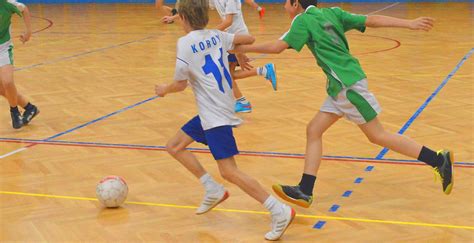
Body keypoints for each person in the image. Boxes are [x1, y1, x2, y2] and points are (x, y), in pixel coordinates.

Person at [233, 0, 453, 208]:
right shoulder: (332, 13)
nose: (283, 5)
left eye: (286, 2)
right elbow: (371, 20)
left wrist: (241, 49)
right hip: (341, 86)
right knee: (314, 130)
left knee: (378, 135)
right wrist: (409, 23)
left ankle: (437, 159)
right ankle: (305, 190)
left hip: (347, 87)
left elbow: (277, 47)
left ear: (295, 3)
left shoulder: (302, 20)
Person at [154, 0, 294, 240]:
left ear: (184, 19)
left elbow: (180, 84)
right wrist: (234, 47)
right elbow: (247, 40)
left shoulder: (184, 43)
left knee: (230, 171)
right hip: (217, 107)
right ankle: (212, 189)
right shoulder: (218, 35)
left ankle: (278, 209)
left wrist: (163, 89)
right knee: (174, 146)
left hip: (215, 114)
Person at [161, 0, 277, 113]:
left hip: (237, 37)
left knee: (228, 75)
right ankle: (263, 72)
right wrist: (173, 18)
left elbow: (228, 21)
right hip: (229, 38)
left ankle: (244, 99)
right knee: (229, 74)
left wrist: (209, 34)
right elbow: (193, 8)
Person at [0, 0, 39, 129]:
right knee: (1, 89)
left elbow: (24, 8)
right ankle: (30, 108)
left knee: (8, 82)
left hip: (3, 48)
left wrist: (28, 32)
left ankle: (14, 112)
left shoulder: (7, 3)